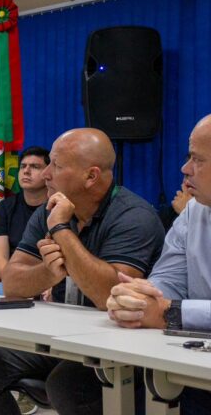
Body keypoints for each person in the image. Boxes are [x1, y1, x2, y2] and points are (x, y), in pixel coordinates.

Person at [0, 128, 165, 415]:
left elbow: (110, 296)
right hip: (61, 337)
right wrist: (48, 272)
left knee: (66, 384)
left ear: (91, 176)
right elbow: (12, 284)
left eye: (56, 165)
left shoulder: (134, 217)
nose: (46, 174)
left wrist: (61, 230)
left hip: (117, 346)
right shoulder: (48, 209)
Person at [107, 114, 211, 414]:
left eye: (197, 159)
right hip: (194, 361)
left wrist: (171, 313)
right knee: (82, 384)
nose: (185, 169)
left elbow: (167, 310)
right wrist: (137, 298)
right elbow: (167, 280)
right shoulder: (195, 211)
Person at [0, 146, 50, 294]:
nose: (26, 171)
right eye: (23, 166)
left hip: (52, 284)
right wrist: (18, 284)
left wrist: (50, 288)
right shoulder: (5, 208)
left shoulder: (58, 207)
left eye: (35, 166)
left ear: (49, 173)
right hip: (15, 280)